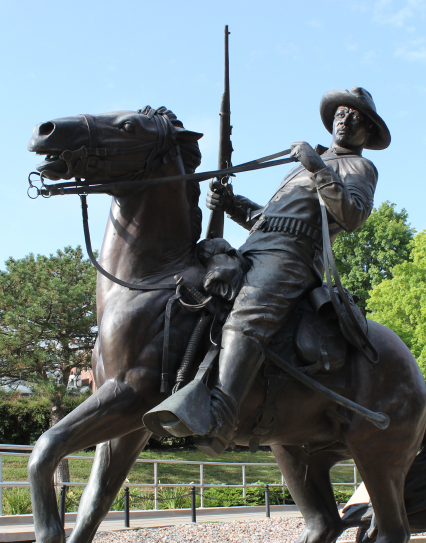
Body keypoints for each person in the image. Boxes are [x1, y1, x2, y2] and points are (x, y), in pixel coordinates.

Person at [148, 87, 390, 451]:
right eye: (341, 113)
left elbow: (352, 215)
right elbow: (271, 220)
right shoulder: (302, 167)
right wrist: (232, 203)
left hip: (293, 258)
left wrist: (319, 169)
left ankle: (220, 417)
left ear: (367, 132)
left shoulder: (359, 167)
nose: (345, 119)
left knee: (248, 317)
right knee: (193, 270)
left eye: (356, 116)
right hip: (255, 248)